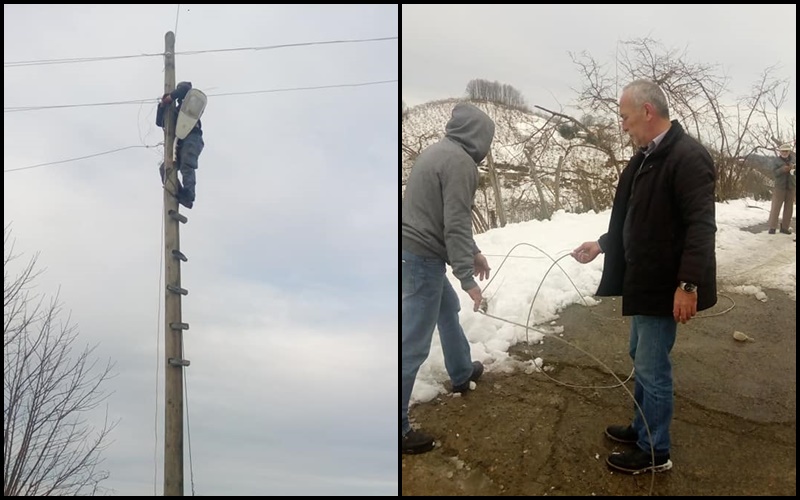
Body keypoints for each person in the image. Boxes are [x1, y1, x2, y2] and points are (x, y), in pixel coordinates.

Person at [571, 79, 717, 474]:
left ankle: (655, 450)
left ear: (647, 112)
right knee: (640, 355)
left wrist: (688, 285)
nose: (622, 125)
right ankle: (641, 428)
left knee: (653, 368)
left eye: (625, 116)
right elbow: (636, 217)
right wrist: (603, 244)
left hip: (664, 284)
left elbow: (701, 228)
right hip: (643, 277)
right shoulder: (647, 155)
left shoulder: (687, 157)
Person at [401, 102, 495, 455]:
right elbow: (454, 222)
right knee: (411, 346)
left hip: (415, 252)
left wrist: (472, 251)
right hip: (421, 258)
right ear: (478, 138)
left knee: (447, 311)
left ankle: (460, 372)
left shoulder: (439, 152)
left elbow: (449, 216)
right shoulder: (461, 164)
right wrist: (467, 277)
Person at [156, 81, 205, 209]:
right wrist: (162, 106)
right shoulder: (174, 111)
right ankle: (178, 192)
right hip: (178, 143)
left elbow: (184, 89)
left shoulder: (191, 105)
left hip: (192, 138)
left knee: (186, 164)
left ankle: (189, 194)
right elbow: (159, 122)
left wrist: (170, 97)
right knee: (165, 169)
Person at [767, 143, 796, 235]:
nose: (784, 152)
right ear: (780, 152)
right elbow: (774, 173)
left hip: (791, 186)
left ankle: (785, 227)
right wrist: (783, 169)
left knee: (789, 209)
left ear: (789, 151)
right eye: (783, 151)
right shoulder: (776, 161)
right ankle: (772, 227)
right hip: (780, 187)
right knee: (776, 208)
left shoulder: (794, 160)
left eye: (786, 151)